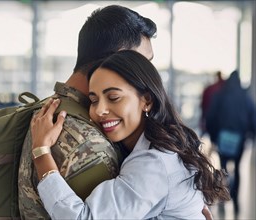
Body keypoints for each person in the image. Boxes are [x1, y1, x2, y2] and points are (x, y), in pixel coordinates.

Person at [30, 50, 230, 219]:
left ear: (147, 101)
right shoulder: (156, 146)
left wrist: (41, 151)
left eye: (113, 97)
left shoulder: (154, 164)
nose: (100, 110)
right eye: (93, 99)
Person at [18, 5, 157, 219]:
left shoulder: (53, 108)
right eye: (143, 62)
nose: (149, 73)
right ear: (119, 58)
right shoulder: (88, 143)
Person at [206, 70, 256, 215]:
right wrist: (252, 134)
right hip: (240, 139)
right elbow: (253, 116)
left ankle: (223, 196)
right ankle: (236, 201)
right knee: (238, 169)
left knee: (223, 168)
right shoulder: (244, 97)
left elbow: (211, 116)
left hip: (223, 137)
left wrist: (213, 136)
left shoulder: (220, 96)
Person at [200, 70, 225, 137]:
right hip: (222, 120)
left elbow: (203, 105)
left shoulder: (209, 88)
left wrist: (202, 119)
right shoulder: (226, 89)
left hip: (211, 117)